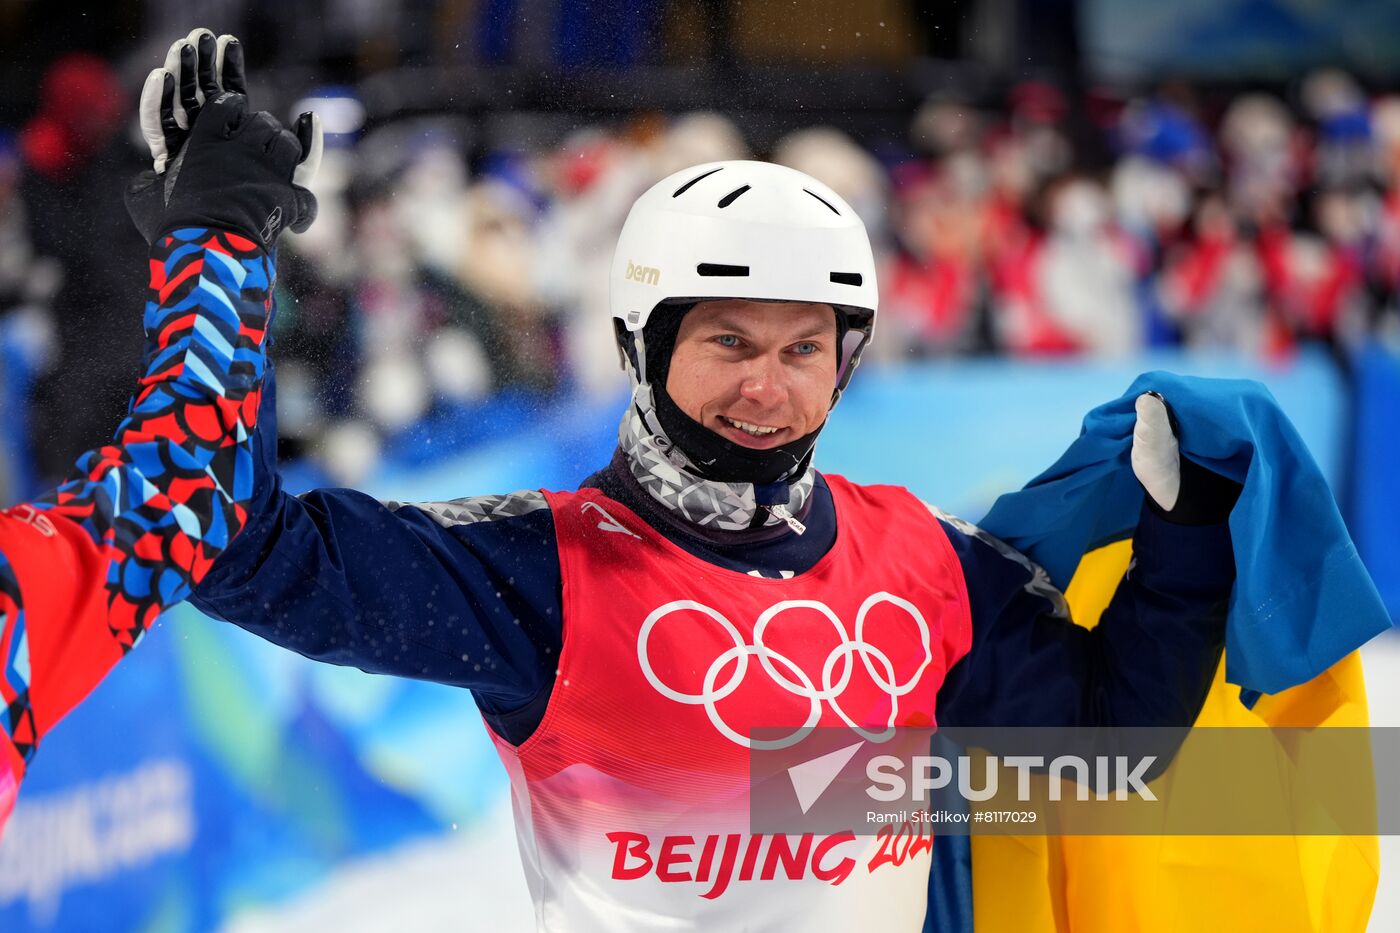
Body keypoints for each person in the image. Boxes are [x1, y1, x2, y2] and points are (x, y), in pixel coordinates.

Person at [188, 39, 1239, 932]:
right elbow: (239, 551)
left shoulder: (920, 559)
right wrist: (219, 259)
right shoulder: (541, 570)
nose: (764, 387)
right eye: (727, 340)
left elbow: (1108, 749)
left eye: (803, 350)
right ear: (639, 348)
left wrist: (1185, 529)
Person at [0, 29, 319, 836]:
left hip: (115, 348)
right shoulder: (42, 171)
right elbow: (183, 493)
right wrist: (217, 234)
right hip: (97, 356)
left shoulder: (86, 161)